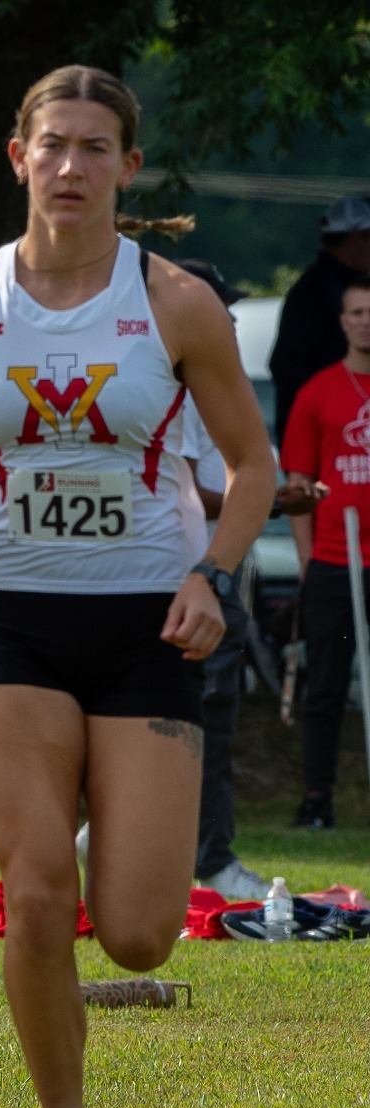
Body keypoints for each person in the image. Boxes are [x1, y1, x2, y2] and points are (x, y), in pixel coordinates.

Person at [0, 67, 271, 1108]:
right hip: (13, 621)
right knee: (38, 897)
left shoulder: (176, 303)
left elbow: (252, 468)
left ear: (126, 168)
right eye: (50, 145)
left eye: (93, 147)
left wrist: (212, 576)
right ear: (17, 158)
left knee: (137, 932)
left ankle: (121, 817)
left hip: (148, 621)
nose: (68, 166)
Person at [169, 259, 273, 892]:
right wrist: (253, 500)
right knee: (207, 722)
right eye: (220, 306)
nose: (230, 320)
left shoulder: (206, 375)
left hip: (210, 565)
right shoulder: (179, 380)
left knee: (194, 718)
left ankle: (113, 829)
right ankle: (210, 863)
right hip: (198, 570)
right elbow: (180, 481)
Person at [280, 276, 370, 831]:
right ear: (342, 321)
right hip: (336, 564)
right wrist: (309, 562)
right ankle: (318, 797)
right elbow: (297, 483)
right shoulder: (318, 392)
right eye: (357, 312)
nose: (366, 321)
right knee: (327, 686)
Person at [269, 196, 370, 444]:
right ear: (356, 238)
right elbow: (287, 366)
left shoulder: (339, 287)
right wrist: (331, 411)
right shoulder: (316, 293)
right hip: (324, 439)